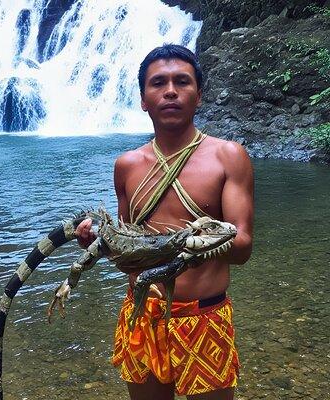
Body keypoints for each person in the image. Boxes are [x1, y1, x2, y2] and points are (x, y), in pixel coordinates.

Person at [76, 44, 254, 400]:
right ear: (143, 99)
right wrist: (97, 243)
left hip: (203, 317)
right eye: (158, 83)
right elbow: (129, 253)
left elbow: (243, 247)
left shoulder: (228, 156)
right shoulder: (127, 165)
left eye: (182, 82)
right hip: (142, 314)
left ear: (199, 95)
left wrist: (184, 244)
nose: (170, 90)